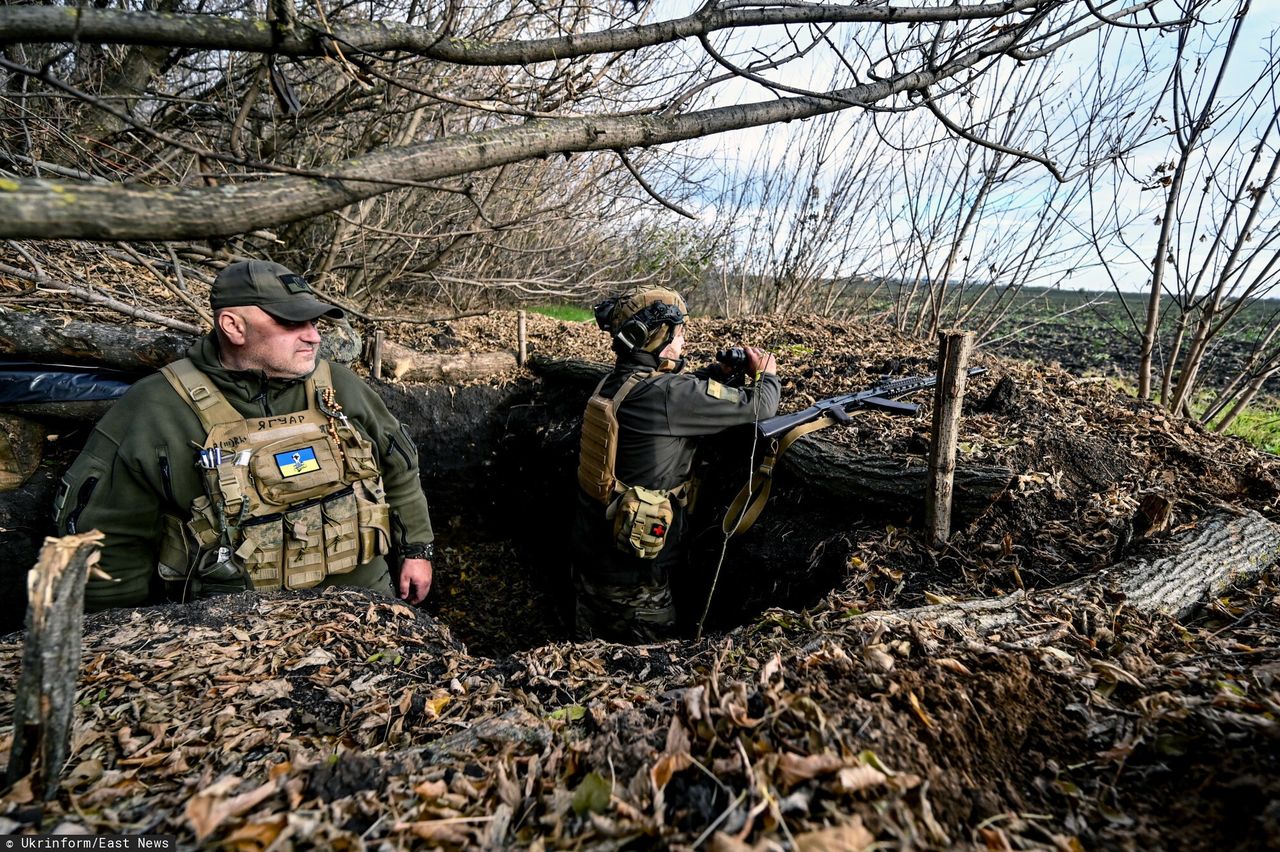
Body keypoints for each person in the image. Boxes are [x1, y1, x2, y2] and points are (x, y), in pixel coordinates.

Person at [55, 260, 435, 611]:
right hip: (233, 622)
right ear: (234, 326)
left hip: (365, 599)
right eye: (291, 323)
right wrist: (119, 629)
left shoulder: (339, 386)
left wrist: (417, 551)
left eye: (315, 323)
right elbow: (108, 534)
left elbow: (399, 465)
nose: (314, 338)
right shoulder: (156, 407)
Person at [571, 288, 780, 642]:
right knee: (649, 676)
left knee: (585, 662)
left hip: (592, 568)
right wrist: (768, 375)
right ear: (655, 338)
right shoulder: (667, 395)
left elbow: (670, 391)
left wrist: (715, 373)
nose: (682, 343)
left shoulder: (612, 383)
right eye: (678, 334)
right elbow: (759, 407)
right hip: (637, 590)